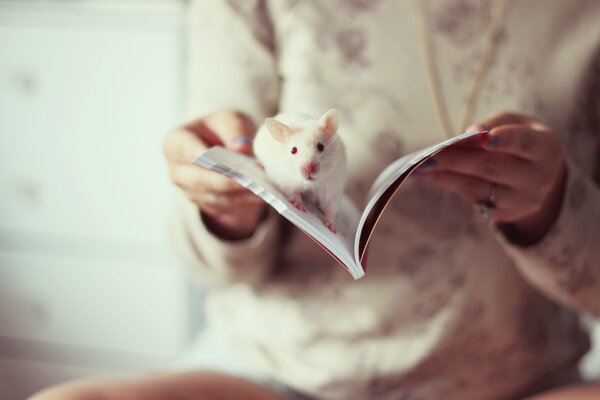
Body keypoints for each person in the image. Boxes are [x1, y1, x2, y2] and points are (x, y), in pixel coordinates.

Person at [31, 0, 600, 399]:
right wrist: (225, 205)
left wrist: (552, 207)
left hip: (512, 381)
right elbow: (203, 262)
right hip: (277, 372)